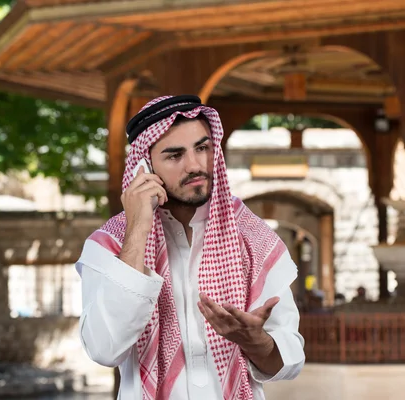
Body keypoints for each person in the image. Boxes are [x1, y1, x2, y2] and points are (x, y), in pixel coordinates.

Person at [75, 95, 305, 400]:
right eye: (174, 155)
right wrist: (139, 229)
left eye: (202, 148)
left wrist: (255, 341)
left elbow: (291, 358)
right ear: (143, 167)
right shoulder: (111, 244)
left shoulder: (252, 237)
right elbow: (104, 349)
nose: (195, 165)